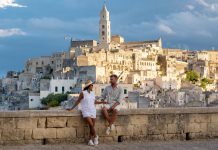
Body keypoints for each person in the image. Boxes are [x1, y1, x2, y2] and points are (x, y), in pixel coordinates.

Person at [67, 80, 107, 146]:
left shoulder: (92, 93)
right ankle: (96, 136)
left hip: (93, 110)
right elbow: (78, 101)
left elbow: (94, 102)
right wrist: (71, 108)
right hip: (85, 110)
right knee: (91, 125)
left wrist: (102, 102)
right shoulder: (83, 93)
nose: (92, 86)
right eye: (91, 85)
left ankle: (90, 140)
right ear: (88, 86)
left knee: (92, 126)